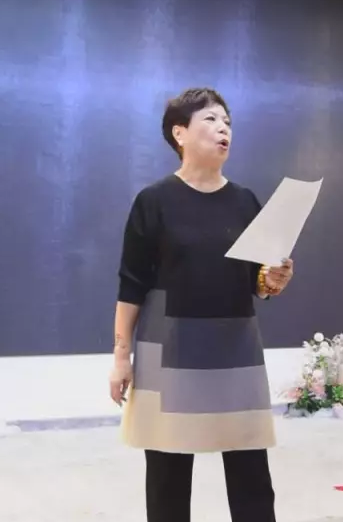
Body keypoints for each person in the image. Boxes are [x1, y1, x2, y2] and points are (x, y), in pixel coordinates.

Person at [109, 87, 294, 522]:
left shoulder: (246, 201)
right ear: (180, 133)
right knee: (168, 474)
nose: (223, 128)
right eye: (210, 119)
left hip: (235, 345)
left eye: (227, 121)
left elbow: (259, 281)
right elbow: (131, 284)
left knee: (251, 471)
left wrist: (273, 280)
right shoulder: (154, 201)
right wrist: (121, 357)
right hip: (168, 347)